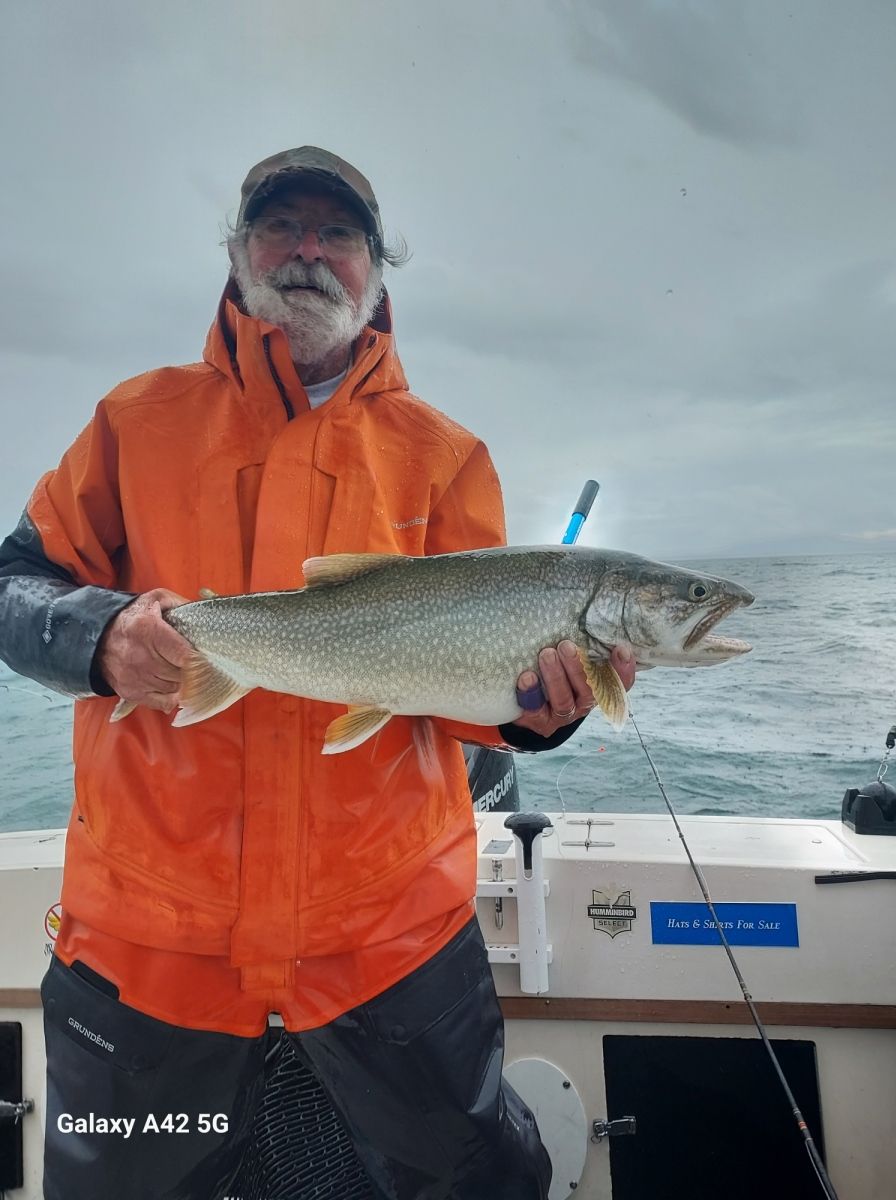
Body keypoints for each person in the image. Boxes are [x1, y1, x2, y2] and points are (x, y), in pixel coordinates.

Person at [0, 146, 635, 1200]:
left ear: (376, 271)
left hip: (393, 950)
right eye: (279, 227)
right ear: (238, 253)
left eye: (336, 234)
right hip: (147, 954)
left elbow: (481, 704)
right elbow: (11, 584)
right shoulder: (132, 421)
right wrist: (101, 637)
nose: (306, 252)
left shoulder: (447, 455)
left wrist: (541, 714)